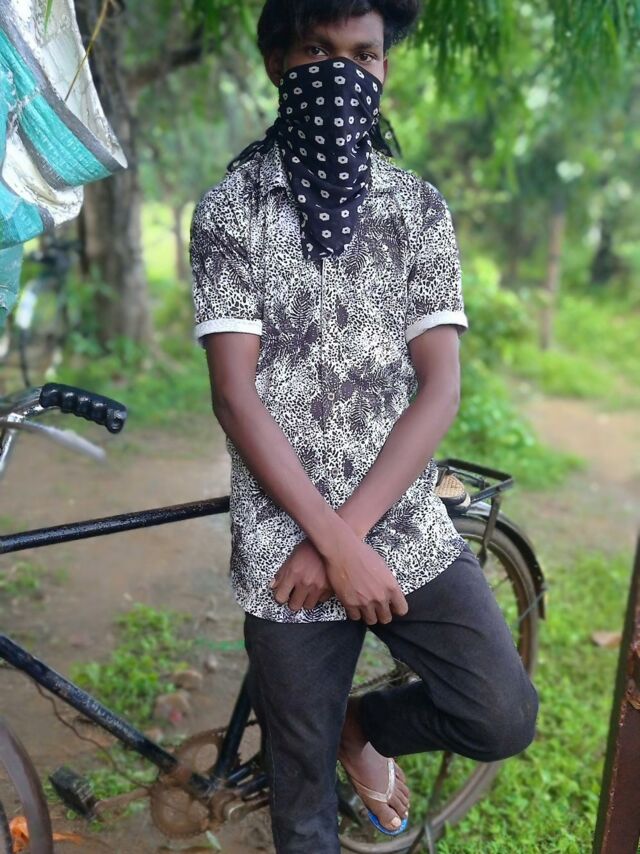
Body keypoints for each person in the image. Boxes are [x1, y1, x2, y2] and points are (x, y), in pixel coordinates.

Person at [189, 1, 539, 851]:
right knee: (301, 801)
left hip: (406, 528)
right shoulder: (232, 210)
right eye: (317, 50)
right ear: (277, 62)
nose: (341, 74)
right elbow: (236, 395)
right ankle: (321, 742)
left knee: (501, 712)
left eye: (363, 55)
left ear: (384, 68)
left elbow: (440, 388)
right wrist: (328, 545)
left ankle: (364, 725)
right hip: (285, 557)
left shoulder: (418, 209)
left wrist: (344, 541)